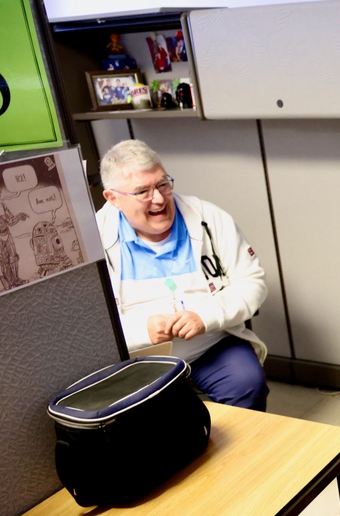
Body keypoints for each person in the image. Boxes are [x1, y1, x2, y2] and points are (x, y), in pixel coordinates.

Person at [96, 139, 270, 411]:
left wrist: (205, 317)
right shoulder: (91, 241)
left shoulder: (209, 218)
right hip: (137, 359)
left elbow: (252, 283)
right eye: (142, 191)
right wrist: (143, 330)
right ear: (113, 198)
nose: (158, 198)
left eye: (162, 184)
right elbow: (85, 326)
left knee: (246, 384)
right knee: (148, 419)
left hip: (210, 345)